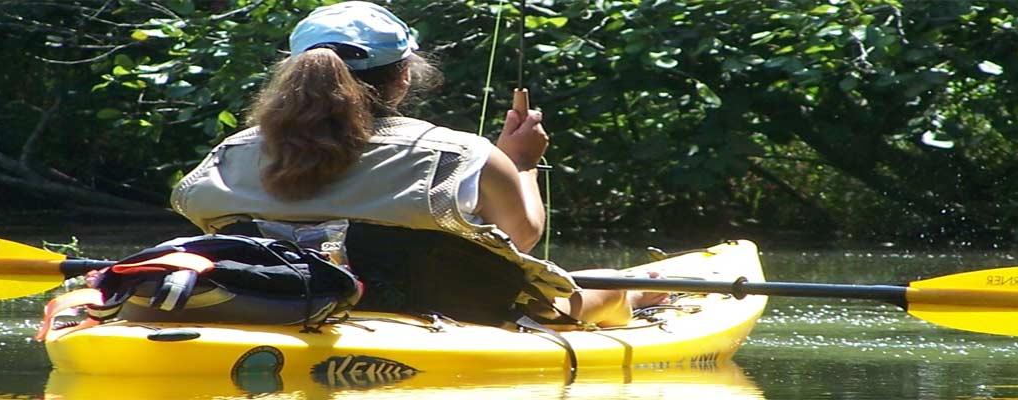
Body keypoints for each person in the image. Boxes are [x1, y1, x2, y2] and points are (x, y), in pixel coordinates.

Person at [170, 2, 656, 328]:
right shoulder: (464, 155)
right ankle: (638, 293)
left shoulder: (232, 153)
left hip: (272, 300)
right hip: (440, 310)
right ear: (402, 78)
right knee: (609, 285)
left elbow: (208, 221)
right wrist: (522, 163)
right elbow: (522, 234)